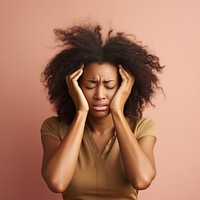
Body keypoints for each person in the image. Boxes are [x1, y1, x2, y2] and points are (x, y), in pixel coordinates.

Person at [40, 23, 164, 200]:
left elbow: (142, 180)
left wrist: (117, 112)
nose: (100, 95)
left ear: (124, 87)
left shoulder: (142, 128)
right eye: (90, 85)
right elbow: (57, 182)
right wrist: (81, 112)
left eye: (109, 85)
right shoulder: (53, 128)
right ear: (74, 86)